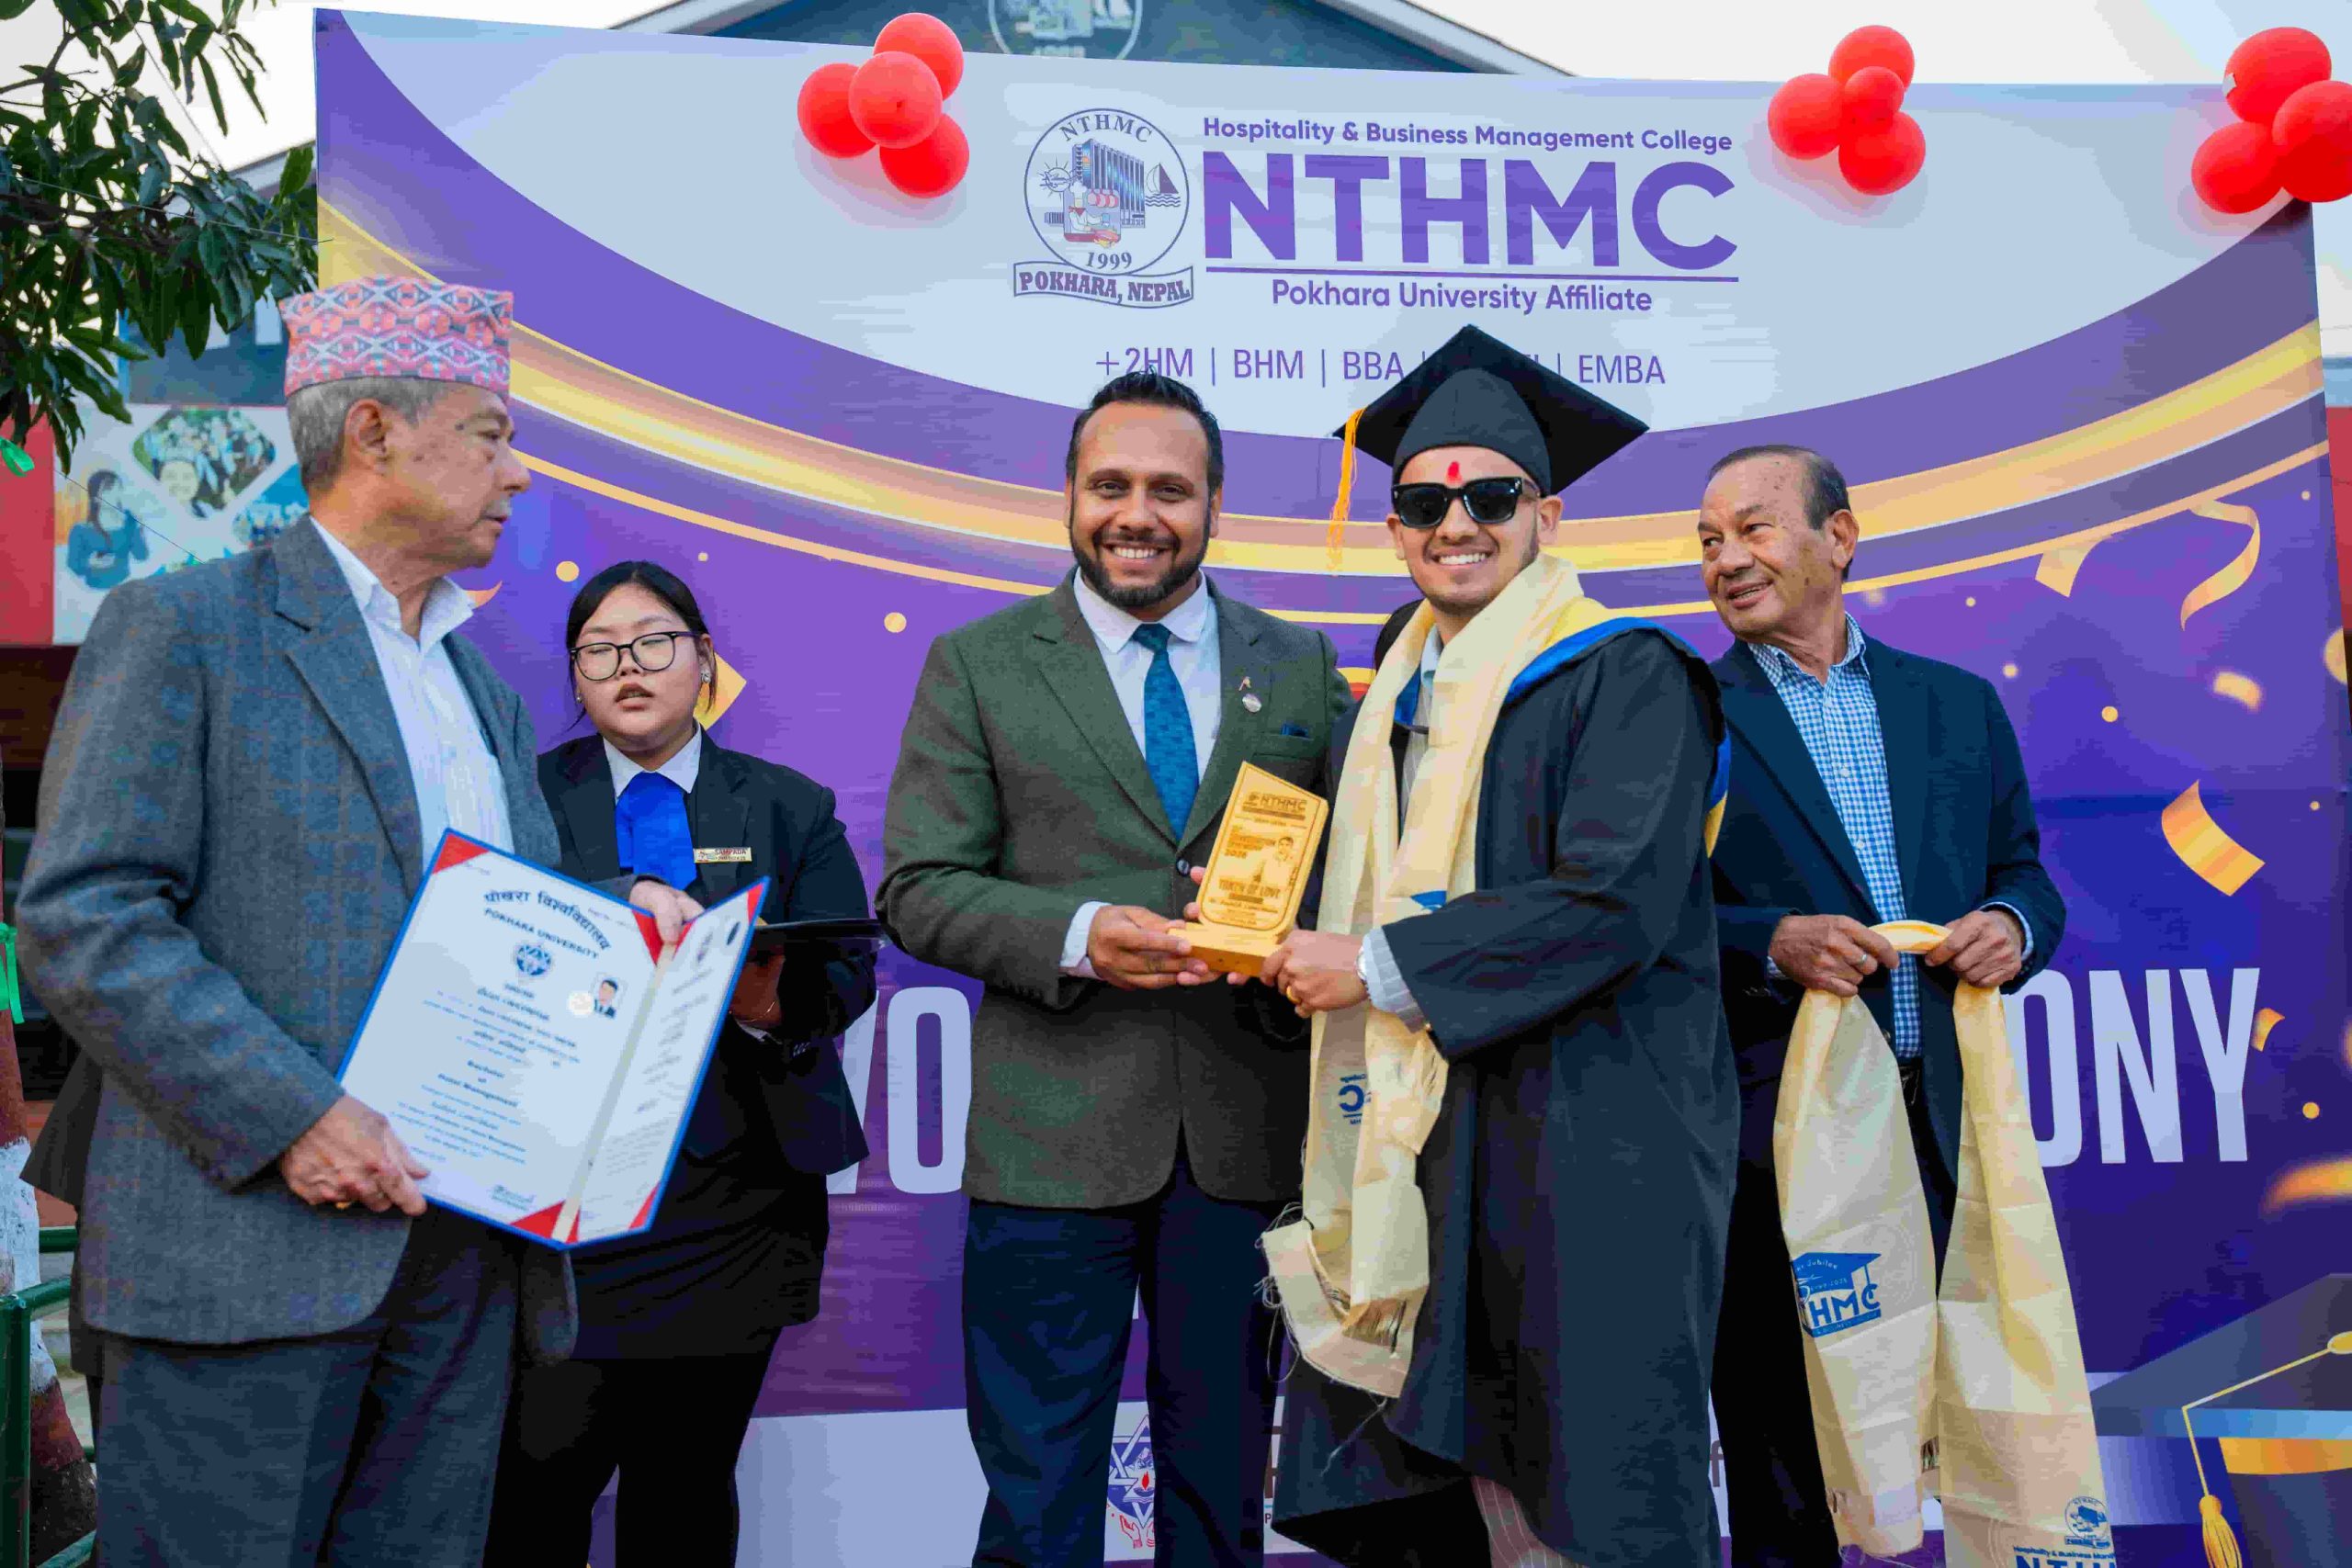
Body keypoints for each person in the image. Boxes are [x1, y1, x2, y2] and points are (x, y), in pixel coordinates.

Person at [14, 276, 702, 1567]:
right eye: (490, 433)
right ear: (375, 432)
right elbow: (85, 915)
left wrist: (623, 918)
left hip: (458, 1262)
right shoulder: (186, 626)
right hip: (242, 1254)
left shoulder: (478, 685)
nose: (516, 470)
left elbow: (487, 916)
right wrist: (294, 1116)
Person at [1264, 325, 1736, 1568]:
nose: (1457, 523)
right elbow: (1379, 873)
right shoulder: (1395, 684)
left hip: (1589, 1135)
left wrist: (1374, 964)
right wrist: (1254, 916)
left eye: (1491, 496)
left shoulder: (1627, 671)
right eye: (1426, 503)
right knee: (1457, 1490)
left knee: (1593, 1484)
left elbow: (1611, 899)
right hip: (1429, 1131)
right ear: (1396, 527)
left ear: (1547, 514)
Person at [879, 371, 1351, 1568]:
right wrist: (1081, 931)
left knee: (1222, 1493)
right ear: (1069, 495)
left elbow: (1354, 868)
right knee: (1038, 1500)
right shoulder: (979, 663)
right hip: (1049, 1147)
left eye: (1169, 490)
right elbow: (919, 888)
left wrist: (1297, 929)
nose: (1137, 514)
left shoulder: (1300, 664)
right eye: (1111, 485)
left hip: (1244, 1142)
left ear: (1215, 505)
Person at [1696, 445, 2065, 1566]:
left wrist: (2014, 925)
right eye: (1707, 541)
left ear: (1840, 538)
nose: (1725, 559)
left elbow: (2025, 873)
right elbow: (1638, 916)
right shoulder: (1682, 714)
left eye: (1753, 528)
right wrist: (1768, 942)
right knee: (1783, 1447)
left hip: (1949, 1131)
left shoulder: (1956, 705)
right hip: (1775, 1139)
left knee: (1992, 1426)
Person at [486, 559, 876, 1566]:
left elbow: (847, 972)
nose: (629, 667)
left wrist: (758, 1001)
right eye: (599, 651)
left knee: (686, 1491)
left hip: (734, 1207)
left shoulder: (788, 805)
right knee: (534, 1489)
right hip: (558, 1211)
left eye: (654, 643)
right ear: (575, 678)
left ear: (703, 660)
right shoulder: (518, 797)